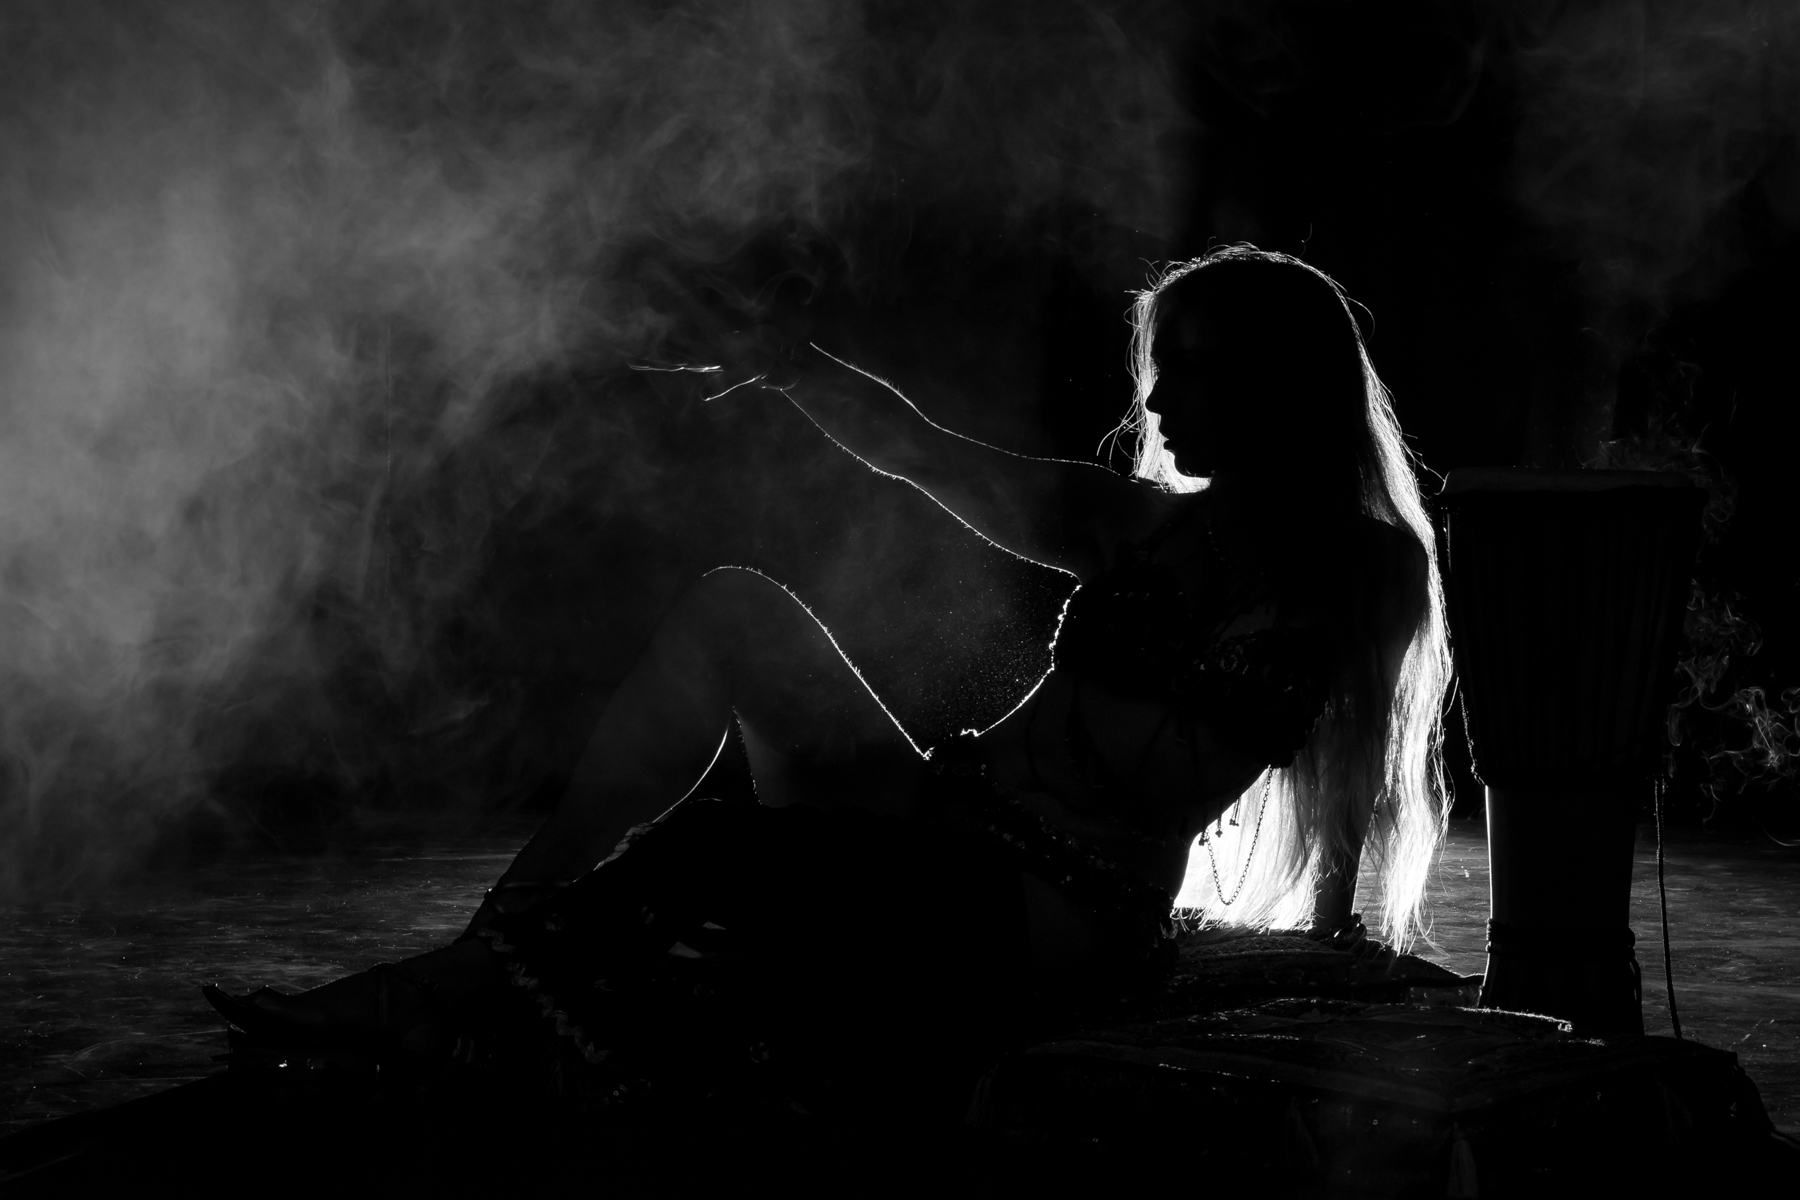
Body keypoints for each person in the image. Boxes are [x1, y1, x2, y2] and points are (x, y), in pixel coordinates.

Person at [204, 245, 1450, 1116]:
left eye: (1195, 368)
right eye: (1159, 364)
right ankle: (501, 934)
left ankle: (432, 1001)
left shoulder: (1357, 568)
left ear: (1277, 382)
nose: (1159, 399)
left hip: (1051, 912)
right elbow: (928, 456)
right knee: (736, 610)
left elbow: (1194, 772)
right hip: (952, 824)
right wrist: (792, 365)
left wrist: (1142, 656)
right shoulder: (1144, 526)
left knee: (724, 855)